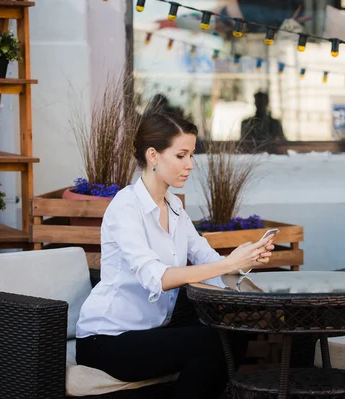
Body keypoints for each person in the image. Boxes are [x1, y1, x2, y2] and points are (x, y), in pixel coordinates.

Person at [75, 111, 275, 399]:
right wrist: (229, 263)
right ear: (153, 156)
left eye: (191, 155)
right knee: (210, 344)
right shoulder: (125, 208)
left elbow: (208, 260)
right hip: (106, 339)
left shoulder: (175, 207)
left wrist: (246, 260)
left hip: (150, 332)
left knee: (234, 333)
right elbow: (157, 278)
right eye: (181, 155)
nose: (190, 165)